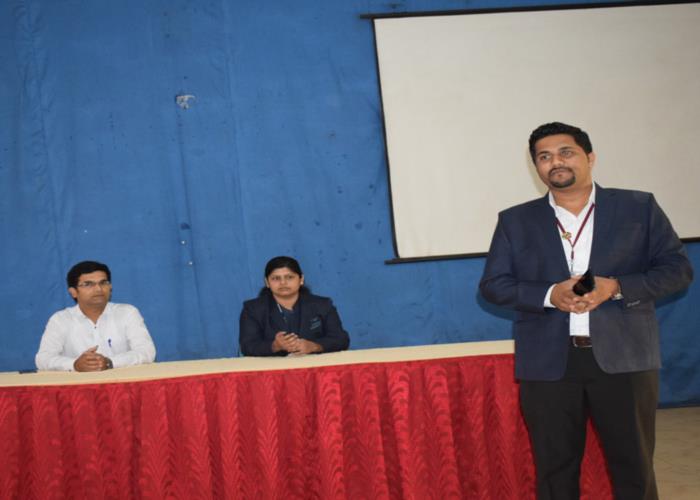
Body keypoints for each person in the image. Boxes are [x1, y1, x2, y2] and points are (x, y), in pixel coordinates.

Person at [479, 122, 693, 500]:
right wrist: (550, 295)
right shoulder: (515, 220)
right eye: (544, 157)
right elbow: (493, 286)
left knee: (634, 468)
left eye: (566, 152)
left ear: (590, 157)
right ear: (536, 166)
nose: (555, 162)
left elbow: (677, 270)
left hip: (625, 358)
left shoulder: (638, 207)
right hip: (549, 364)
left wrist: (617, 287)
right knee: (554, 471)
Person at [36, 261, 156, 371]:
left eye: (103, 283)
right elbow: (43, 359)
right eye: (88, 284)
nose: (98, 289)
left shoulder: (127, 313)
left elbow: (146, 352)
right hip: (78, 386)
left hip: (121, 384)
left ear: (110, 287)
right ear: (73, 292)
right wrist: (74, 365)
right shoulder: (60, 320)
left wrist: (110, 362)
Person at [239, 256, 350, 356]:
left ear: (301, 279)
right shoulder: (253, 309)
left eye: (289, 277)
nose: (283, 283)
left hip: (314, 366)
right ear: (267, 282)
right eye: (276, 278)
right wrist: (274, 346)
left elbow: (341, 339)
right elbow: (247, 346)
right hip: (273, 369)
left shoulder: (322, 305)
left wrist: (314, 346)